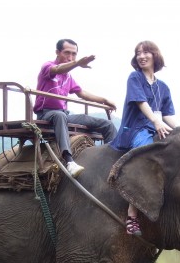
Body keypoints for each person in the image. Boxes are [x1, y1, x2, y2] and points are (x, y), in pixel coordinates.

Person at [109, 40, 176, 236]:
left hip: (157, 127)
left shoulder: (163, 87)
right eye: (138, 53)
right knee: (144, 160)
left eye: (146, 52)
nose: (141, 56)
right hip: (137, 129)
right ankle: (132, 216)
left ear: (155, 56)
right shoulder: (134, 78)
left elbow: (168, 116)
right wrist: (155, 121)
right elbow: (140, 102)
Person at [34, 39, 118, 178]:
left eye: (74, 54)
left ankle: (114, 156)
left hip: (64, 114)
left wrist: (104, 100)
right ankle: (69, 161)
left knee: (106, 124)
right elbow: (58, 69)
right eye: (67, 53)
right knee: (59, 116)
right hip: (46, 114)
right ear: (57, 52)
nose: (70, 57)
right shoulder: (48, 67)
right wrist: (77, 63)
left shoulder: (68, 76)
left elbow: (81, 93)